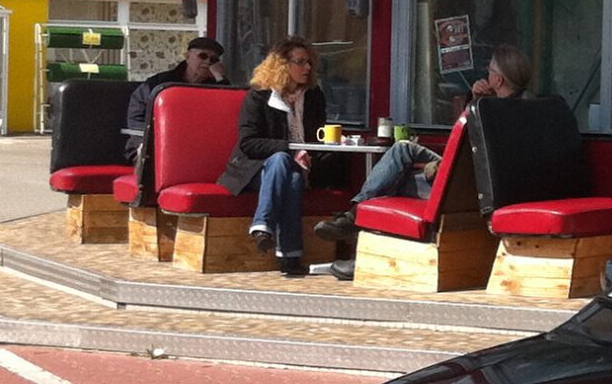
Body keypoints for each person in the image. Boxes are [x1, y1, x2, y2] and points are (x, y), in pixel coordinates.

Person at [326, 47, 531, 235]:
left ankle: (355, 222)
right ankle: (354, 216)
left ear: (499, 81)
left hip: (467, 189)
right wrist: (476, 99)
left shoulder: (492, 114)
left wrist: (437, 166)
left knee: (395, 179)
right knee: (402, 149)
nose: (487, 72)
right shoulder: (526, 108)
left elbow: (469, 151)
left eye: (491, 69)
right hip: (475, 180)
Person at [218, 37, 332, 278]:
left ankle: (264, 229)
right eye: (300, 62)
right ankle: (288, 254)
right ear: (282, 65)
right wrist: (290, 149)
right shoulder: (259, 96)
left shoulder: (313, 96)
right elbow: (248, 143)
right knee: (281, 161)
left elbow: (318, 139)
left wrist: (320, 151)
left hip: (300, 167)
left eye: (309, 62)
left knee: (292, 178)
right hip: (255, 170)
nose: (307, 68)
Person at [123, 36, 225, 188]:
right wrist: (143, 143)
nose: (207, 62)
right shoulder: (158, 83)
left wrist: (220, 78)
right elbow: (136, 115)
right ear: (188, 56)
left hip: (196, 148)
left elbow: (226, 112)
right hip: (154, 144)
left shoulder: (217, 88)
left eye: (213, 60)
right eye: (202, 56)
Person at [431, 0, 522, 93]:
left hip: (491, 65)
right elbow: (439, 29)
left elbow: (513, 38)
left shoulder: (505, 0)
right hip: (458, 65)